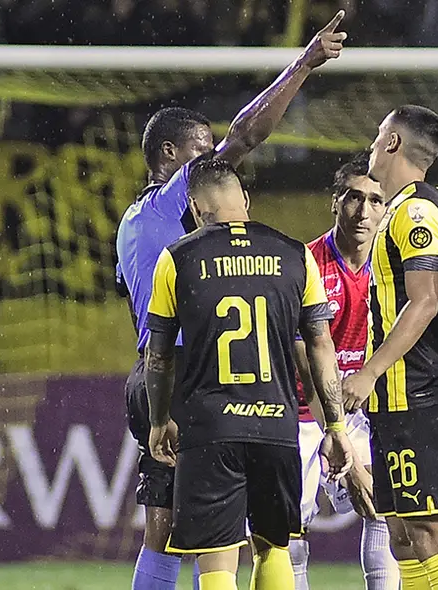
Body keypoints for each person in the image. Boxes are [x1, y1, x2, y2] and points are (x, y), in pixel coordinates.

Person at [114, 11, 347, 590]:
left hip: (151, 372)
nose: (216, 162)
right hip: (203, 379)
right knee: (232, 536)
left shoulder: (132, 223)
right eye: (202, 153)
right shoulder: (176, 202)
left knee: (164, 527)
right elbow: (246, 135)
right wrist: (303, 64)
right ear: (170, 155)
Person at [144, 157, 355, 590]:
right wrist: (334, 424)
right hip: (277, 426)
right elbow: (320, 345)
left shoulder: (177, 258)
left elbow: (159, 355)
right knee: (273, 545)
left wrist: (160, 418)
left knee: (218, 558)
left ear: (196, 209)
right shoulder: (296, 255)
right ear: (245, 199)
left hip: (210, 427)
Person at [341, 105, 438, 590]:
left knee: (429, 531)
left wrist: (370, 371)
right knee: (400, 533)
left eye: (379, 136)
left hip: (420, 393)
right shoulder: (398, 209)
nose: (373, 144)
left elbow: (425, 302)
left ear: (394, 143)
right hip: (396, 399)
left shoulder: (418, 211)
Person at [291, 154, 401, 590]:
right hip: (301, 411)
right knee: (289, 534)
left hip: (360, 409)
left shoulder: (393, 269)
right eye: (354, 198)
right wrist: (341, 445)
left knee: (382, 508)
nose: (364, 211)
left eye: (376, 200)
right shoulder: (305, 265)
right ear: (334, 203)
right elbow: (305, 363)